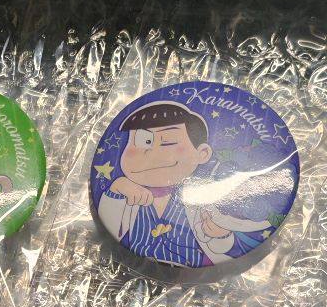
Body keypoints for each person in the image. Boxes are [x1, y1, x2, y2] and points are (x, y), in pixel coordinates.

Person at [96, 102, 272, 266]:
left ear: (202, 153)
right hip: (130, 265)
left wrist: (221, 235)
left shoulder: (201, 198)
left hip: (192, 275)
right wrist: (117, 188)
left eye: (168, 142)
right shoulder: (130, 192)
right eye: (143, 141)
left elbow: (220, 248)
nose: (151, 153)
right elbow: (112, 221)